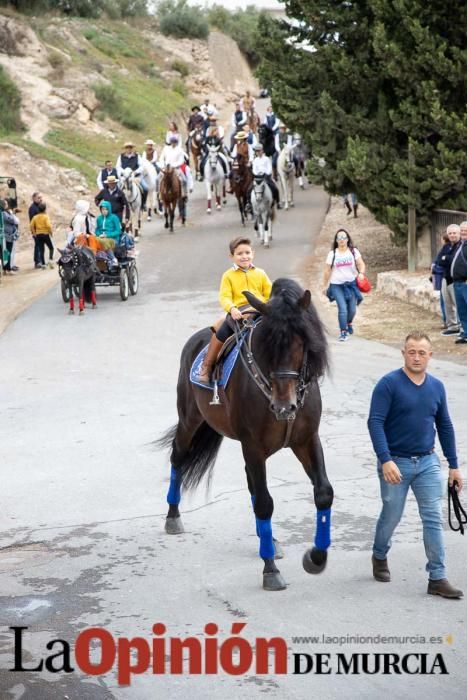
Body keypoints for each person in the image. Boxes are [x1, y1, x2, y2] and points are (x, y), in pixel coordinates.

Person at [368, 331, 463, 599]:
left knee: (432, 517)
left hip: (427, 462)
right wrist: (385, 459)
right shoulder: (388, 384)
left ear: (430, 356)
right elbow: (374, 422)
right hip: (395, 462)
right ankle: (379, 555)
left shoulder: (436, 387)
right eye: (412, 351)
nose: (417, 357)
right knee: (392, 515)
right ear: (403, 354)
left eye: (422, 352)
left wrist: (454, 466)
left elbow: (444, 425)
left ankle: (437, 576)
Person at [196, 236, 272, 384]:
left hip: (260, 310)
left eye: (247, 253)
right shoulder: (228, 276)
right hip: (239, 312)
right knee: (222, 331)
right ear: (232, 256)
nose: (244, 257)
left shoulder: (261, 273)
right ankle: (207, 365)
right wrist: (232, 309)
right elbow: (225, 297)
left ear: (253, 253)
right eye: (240, 254)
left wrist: (267, 305)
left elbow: (270, 294)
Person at [321, 228, 366, 341]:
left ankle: (349, 323)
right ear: (336, 240)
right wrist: (324, 285)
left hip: (351, 284)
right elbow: (327, 271)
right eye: (339, 237)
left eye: (343, 237)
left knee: (352, 310)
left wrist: (361, 273)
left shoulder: (353, 251)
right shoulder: (332, 254)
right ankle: (343, 332)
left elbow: (361, 264)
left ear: (347, 239)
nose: (341, 239)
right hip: (336, 285)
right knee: (343, 309)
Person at [434, 225, 460, 336]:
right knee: (447, 303)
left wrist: (446, 258)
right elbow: (439, 259)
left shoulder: (461, 246)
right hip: (445, 278)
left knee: (458, 304)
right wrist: (446, 258)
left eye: (455, 233)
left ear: (458, 233)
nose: (452, 235)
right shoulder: (446, 246)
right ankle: (452, 326)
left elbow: (454, 259)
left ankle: (462, 327)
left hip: (456, 279)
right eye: (450, 233)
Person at [451, 220, 467, 344]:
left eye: (466, 230)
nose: (463, 232)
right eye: (461, 230)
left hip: (465, 283)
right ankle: (465, 333)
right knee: (462, 310)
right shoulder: (461, 244)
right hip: (457, 282)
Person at [251, 143, 281, 208]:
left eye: (259, 151)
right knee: (249, 189)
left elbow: (269, 168)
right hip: (258, 178)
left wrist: (266, 173)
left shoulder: (266, 159)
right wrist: (257, 173)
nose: (258, 152)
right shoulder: (255, 160)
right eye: (257, 151)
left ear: (262, 151)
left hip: (266, 177)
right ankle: (249, 204)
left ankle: (278, 202)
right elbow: (254, 169)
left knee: (274, 188)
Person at [30, 202, 54, 269]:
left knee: (41, 250)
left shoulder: (35, 217)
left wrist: (34, 233)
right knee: (51, 248)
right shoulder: (46, 217)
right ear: (45, 209)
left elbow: (31, 225)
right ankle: (51, 261)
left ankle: (43, 264)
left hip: (38, 235)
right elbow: (48, 226)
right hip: (45, 234)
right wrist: (51, 232)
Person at [1, 199, 19, 274]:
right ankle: (8, 269)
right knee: (7, 252)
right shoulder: (4, 213)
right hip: (7, 236)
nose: (7, 205)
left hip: (6, 236)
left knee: (5, 253)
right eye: (5, 204)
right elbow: (14, 221)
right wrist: (12, 214)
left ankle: (5, 269)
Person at [28, 192, 43, 269]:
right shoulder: (33, 208)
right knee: (38, 246)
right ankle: (37, 262)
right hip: (37, 231)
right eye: (39, 198)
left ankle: (40, 260)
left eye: (41, 197)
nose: (40, 199)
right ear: (33, 198)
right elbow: (32, 221)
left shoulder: (40, 206)